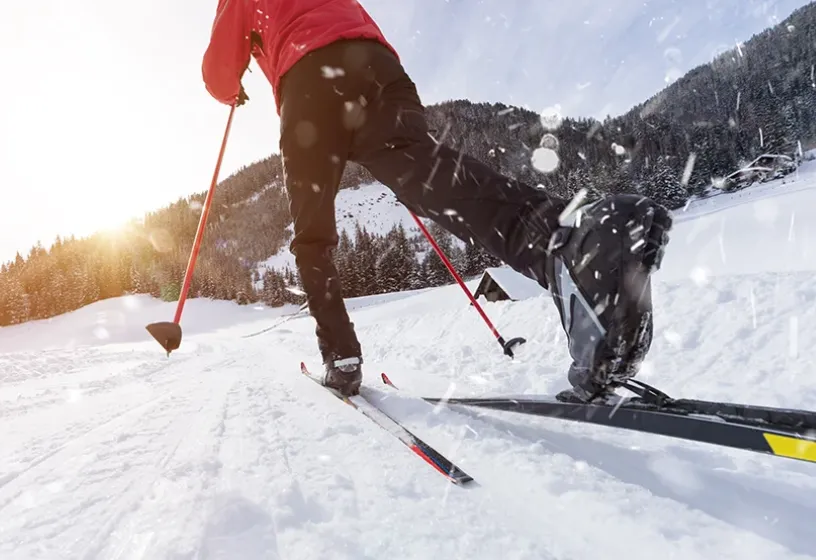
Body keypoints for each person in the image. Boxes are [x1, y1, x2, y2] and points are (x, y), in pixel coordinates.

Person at [201, 0, 673, 402]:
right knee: (430, 179)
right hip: (378, 67)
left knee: (312, 235)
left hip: (309, 81)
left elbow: (218, 71)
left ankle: (341, 357)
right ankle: (574, 241)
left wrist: (233, 87)